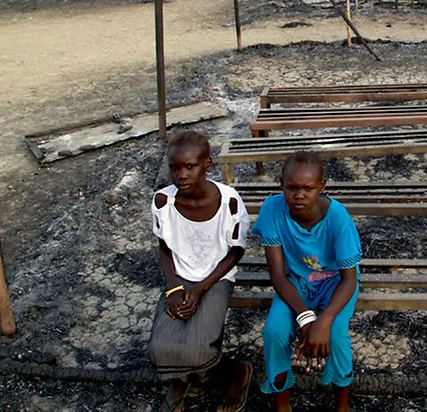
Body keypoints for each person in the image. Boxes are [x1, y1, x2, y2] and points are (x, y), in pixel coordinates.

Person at [148, 130, 253, 412]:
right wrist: (172, 288)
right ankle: (181, 379)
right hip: (180, 278)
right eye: (174, 167)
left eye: (190, 166)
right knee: (159, 349)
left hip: (215, 278)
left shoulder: (228, 202)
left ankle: (235, 373)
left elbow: (235, 252)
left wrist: (200, 288)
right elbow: (165, 248)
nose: (181, 175)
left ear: (207, 165)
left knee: (198, 349)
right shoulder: (163, 202)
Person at [251, 151, 362, 412]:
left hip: (336, 283)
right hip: (296, 282)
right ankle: (282, 403)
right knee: (274, 332)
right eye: (292, 188)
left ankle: (342, 405)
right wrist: (305, 317)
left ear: (321, 187)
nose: (299, 195)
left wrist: (322, 321)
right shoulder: (272, 210)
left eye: (308, 188)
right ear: (281, 185)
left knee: (334, 334)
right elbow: (278, 275)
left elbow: (349, 279)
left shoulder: (338, 218)